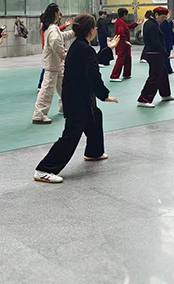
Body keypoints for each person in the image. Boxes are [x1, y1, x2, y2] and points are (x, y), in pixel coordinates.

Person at [33, 14, 118, 184]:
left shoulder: (79, 46)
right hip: (76, 98)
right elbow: (94, 74)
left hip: (79, 95)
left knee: (95, 117)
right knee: (72, 133)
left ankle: (94, 152)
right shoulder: (83, 48)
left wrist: (108, 49)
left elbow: (91, 62)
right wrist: (104, 95)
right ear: (92, 31)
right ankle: (44, 169)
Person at [32, 4, 75, 124]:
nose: (60, 15)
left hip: (56, 64)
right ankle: (39, 114)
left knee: (64, 87)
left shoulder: (51, 27)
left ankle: (65, 107)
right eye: (59, 12)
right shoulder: (52, 28)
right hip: (53, 64)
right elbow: (56, 41)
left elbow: (61, 36)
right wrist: (64, 55)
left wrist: (74, 32)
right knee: (47, 90)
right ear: (56, 13)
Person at [137, 8, 174, 108]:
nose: (163, 19)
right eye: (162, 17)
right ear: (156, 15)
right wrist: (166, 54)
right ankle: (144, 99)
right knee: (154, 76)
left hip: (154, 52)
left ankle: (165, 94)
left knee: (163, 73)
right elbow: (156, 42)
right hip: (153, 53)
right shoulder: (152, 25)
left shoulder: (152, 23)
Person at [38, 15, 72, 88]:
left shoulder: (47, 27)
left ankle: (41, 85)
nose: (59, 18)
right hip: (51, 51)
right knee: (48, 71)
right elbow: (56, 36)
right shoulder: (49, 28)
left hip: (51, 52)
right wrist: (65, 26)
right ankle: (40, 85)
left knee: (52, 71)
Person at [109, 8, 142, 81]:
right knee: (121, 59)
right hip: (122, 44)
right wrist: (125, 41)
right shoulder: (120, 22)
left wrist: (136, 24)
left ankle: (126, 74)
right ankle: (114, 76)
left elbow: (127, 27)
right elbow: (121, 32)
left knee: (127, 58)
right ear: (124, 14)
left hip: (123, 44)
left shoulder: (120, 22)